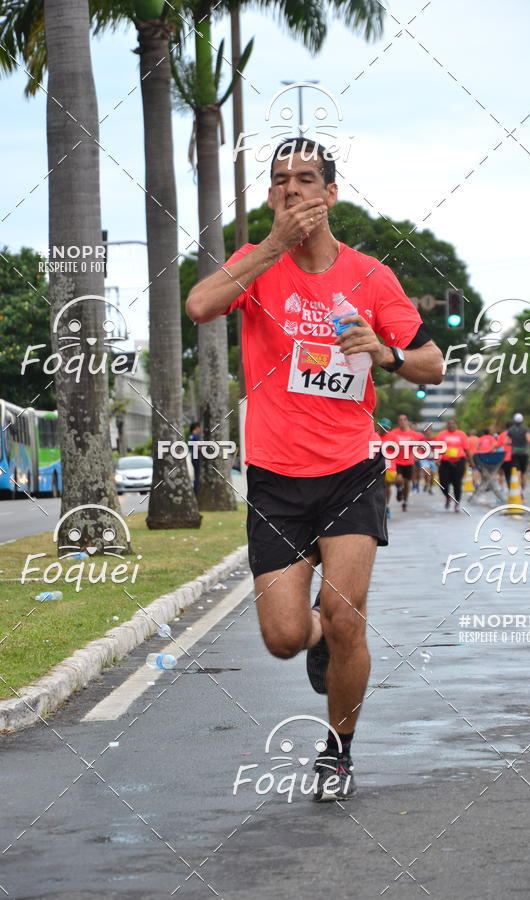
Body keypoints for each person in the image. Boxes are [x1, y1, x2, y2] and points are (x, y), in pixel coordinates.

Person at [185, 137, 444, 801]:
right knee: (286, 636)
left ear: (330, 193)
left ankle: (339, 751)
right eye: (280, 181)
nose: (292, 190)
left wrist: (385, 354)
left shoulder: (370, 276)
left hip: (349, 469)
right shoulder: (256, 263)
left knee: (348, 616)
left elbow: (431, 362)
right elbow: (200, 306)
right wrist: (269, 248)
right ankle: (319, 635)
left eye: (305, 179)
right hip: (275, 476)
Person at [435, 418, 473, 511]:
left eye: (453, 424)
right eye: (449, 424)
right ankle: (448, 497)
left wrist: (471, 461)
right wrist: (437, 459)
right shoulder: (441, 435)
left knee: (457, 483)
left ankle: (457, 502)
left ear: (456, 425)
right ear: (446, 425)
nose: (451, 425)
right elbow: (437, 448)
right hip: (445, 462)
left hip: (459, 461)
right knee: (443, 483)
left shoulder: (461, 434)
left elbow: (467, 449)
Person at [387, 413, 420, 511]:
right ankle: (399, 489)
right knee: (398, 480)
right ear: (398, 422)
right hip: (396, 461)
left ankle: (405, 501)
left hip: (408, 462)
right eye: (400, 420)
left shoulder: (413, 434)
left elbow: (417, 448)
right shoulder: (394, 433)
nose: (402, 421)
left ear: (407, 421)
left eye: (404, 419)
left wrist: (415, 453)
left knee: (407, 483)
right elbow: (389, 445)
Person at [507, 413, 530, 495]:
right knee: (523, 472)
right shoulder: (526, 429)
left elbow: (506, 441)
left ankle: (518, 488)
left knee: (517, 471)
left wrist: (512, 443)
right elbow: (529, 440)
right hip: (524, 453)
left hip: (514, 453)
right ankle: (523, 490)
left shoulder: (511, 430)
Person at [496, 421, 513, 487]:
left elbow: (497, 445)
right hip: (515, 456)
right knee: (516, 473)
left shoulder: (502, 435)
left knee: (507, 474)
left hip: (505, 458)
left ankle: (510, 489)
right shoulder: (516, 434)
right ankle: (519, 490)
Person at [189, 422, 202, 495]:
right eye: (199, 427)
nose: (200, 429)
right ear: (196, 428)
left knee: (196, 474)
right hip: (196, 457)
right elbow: (198, 447)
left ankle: (195, 489)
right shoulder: (195, 436)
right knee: (197, 474)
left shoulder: (191, 436)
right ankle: (196, 491)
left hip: (193, 457)